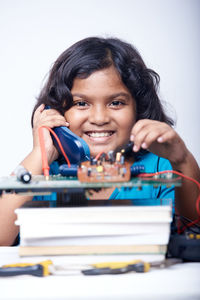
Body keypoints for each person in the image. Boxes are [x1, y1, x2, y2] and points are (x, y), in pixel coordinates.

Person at [0, 37, 199, 246]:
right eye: (82, 103)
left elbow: (193, 228)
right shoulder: (43, 173)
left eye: (116, 103)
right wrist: (39, 155)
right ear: (58, 111)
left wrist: (182, 159)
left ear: (138, 109)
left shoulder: (161, 166)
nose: (99, 118)